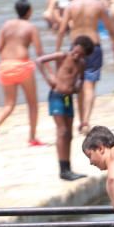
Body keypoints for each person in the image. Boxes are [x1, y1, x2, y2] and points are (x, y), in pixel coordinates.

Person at [0, 0, 45, 147]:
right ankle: (32, 138)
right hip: (22, 66)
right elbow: (39, 52)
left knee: (9, 104)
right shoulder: (31, 27)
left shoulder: (6, 25)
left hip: (5, 66)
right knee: (32, 104)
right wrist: (49, 70)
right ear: (29, 11)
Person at [56, 0, 114, 134]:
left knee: (78, 86)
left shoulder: (71, 6)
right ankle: (86, 121)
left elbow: (61, 30)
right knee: (89, 86)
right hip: (93, 47)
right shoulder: (98, 5)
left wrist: (58, 49)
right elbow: (109, 27)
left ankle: (80, 120)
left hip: (76, 49)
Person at [38, 36, 95, 181]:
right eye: (76, 52)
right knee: (62, 131)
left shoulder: (81, 63)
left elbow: (81, 78)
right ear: (73, 46)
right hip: (57, 96)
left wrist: (78, 87)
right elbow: (39, 61)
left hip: (68, 99)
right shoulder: (62, 56)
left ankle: (67, 168)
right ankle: (62, 170)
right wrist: (49, 78)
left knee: (69, 134)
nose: (77, 56)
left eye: (81, 55)